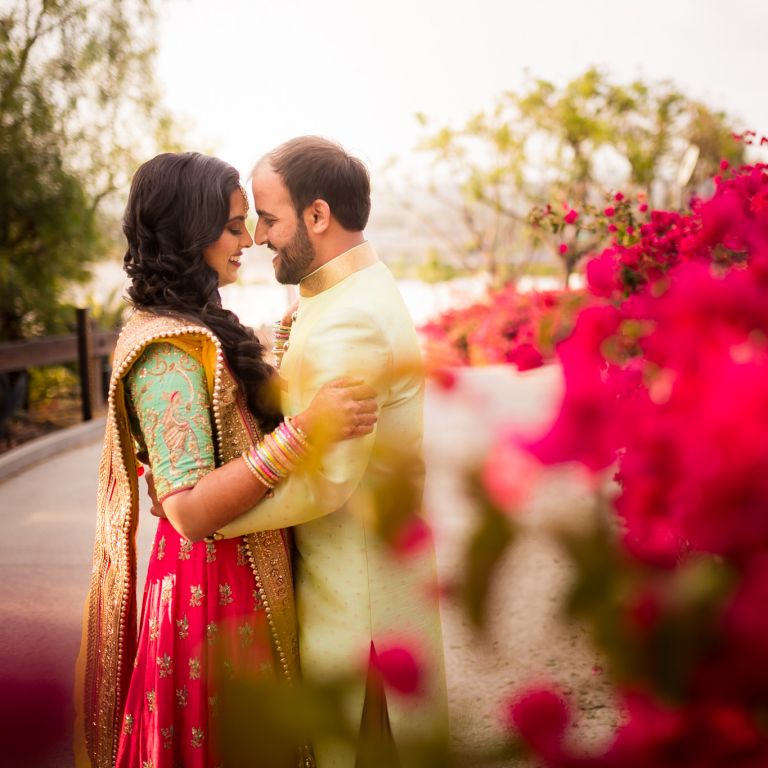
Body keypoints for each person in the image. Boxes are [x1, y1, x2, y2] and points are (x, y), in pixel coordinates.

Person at [73, 151, 377, 768]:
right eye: (235, 225)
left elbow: (226, 426)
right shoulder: (166, 350)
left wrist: (288, 347)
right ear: (190, 231)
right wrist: (302, 434)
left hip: (241, 574)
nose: (249, 239)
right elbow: (186, 511)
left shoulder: (198, 325)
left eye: (249, 222)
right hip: (208, 598)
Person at [215, 136, 449, 767]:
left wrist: (212, 515)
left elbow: (327, 483)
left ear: (317, 216)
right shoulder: (351, 291)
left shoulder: (350, 318)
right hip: (370, 578)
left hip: (360, 600)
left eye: (268, 218)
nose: (258, 236)